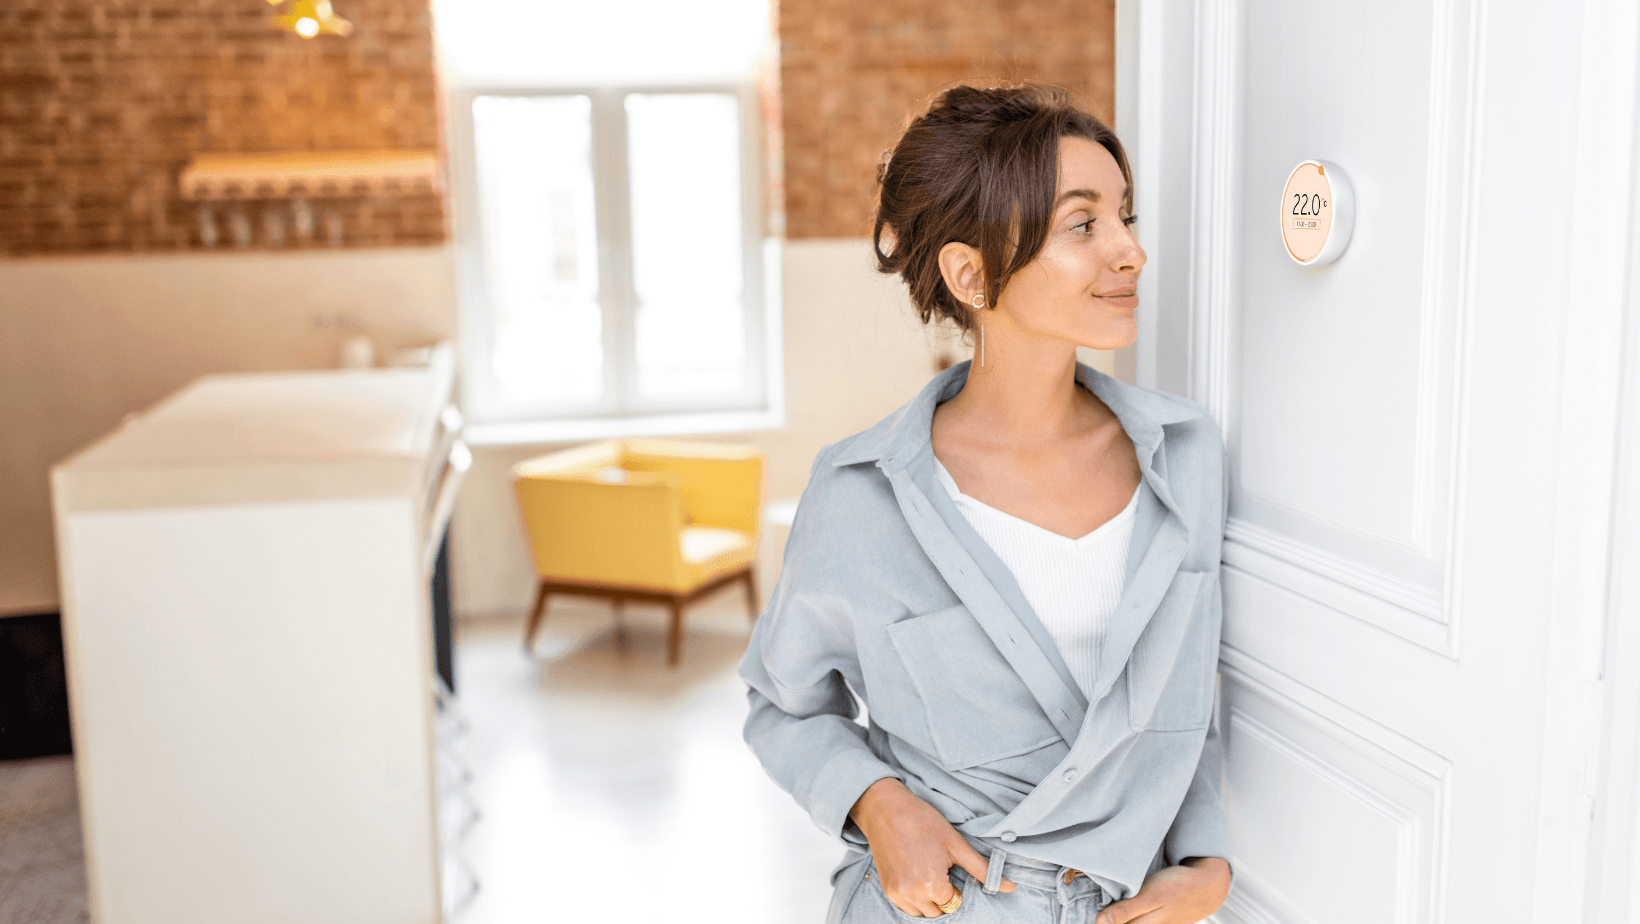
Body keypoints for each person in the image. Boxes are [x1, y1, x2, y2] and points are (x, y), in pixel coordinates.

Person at [738, 83, 1234, 924]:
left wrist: (1206, 858)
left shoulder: (1184, 459)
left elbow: (1190, 702)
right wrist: (878, 806)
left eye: (1127, 217)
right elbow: (783, 705)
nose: (1130, 252)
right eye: (1084, 225)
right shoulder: (859, 493)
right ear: (970, 273)